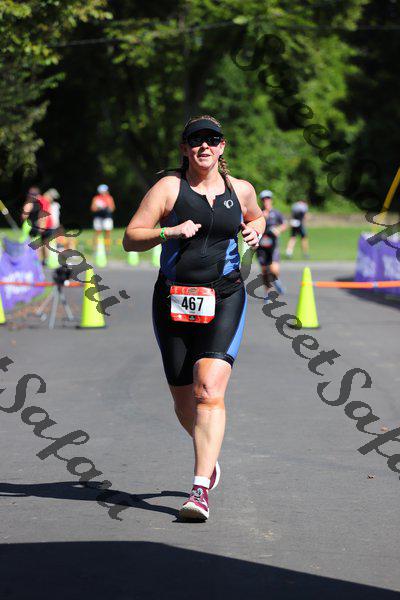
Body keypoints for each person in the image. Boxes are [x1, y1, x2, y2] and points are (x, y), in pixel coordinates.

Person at [123, 115, 264, 521]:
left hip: (225, 296)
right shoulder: (169, 189)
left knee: (208, 390)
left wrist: (256, 229)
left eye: (212, 139)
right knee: (185, 402)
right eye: (196, 140)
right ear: (185, 149)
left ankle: (199, 489)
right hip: (173, 300)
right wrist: (168, 232)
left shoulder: (240, 190)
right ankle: (209, 454)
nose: (204, 146)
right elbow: (131, 237)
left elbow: (256, 215)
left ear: (222, 147)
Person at [256, 190, 287, 303]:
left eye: (268, 199)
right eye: (264, 199)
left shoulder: (276, 213)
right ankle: (267, 294)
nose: (266, 201)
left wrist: (278, 230)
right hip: (261, 247)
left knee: (274, 270)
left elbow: (284, 224)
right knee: (265, 271)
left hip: (273, 247)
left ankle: (276, 280)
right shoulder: (258, 213)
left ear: (271, 200)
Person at [21, 186, 53, 264]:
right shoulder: (43, 201)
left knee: (30, 244)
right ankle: (42, 262)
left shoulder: (31, 203)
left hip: (33, 226)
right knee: (42, 244)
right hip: (43, 226)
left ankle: (32, 261)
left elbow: (24, 216)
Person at [91, 184, 115, 253]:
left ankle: (107, 249)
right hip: (98, 218)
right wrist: (99, 208)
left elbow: (112, 208)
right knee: (97, 233)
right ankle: (95, 249)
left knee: (107, 234)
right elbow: (93, 208)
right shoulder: (96, 198)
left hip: (107, 217)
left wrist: (107, 208)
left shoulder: (109, 198)